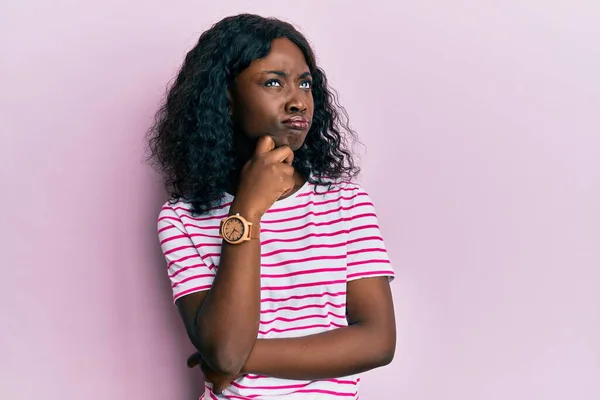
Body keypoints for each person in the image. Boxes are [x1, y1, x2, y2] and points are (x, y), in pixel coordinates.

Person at [148, 13, 396, 400]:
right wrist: (247, 209)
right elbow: (226, 344)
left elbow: (378, 341)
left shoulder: (345, 203)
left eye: (305, 83)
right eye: (273, 82)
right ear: (225, 99)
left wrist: (236, 360)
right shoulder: (181, 219)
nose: (298, 100)